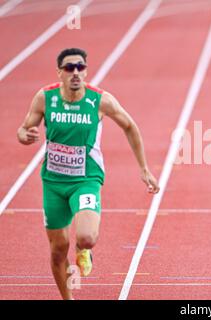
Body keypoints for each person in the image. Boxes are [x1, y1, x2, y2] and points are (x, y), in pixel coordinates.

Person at [17, 48, 160, 299]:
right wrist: (25, 136)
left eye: (80, 67)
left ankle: (83, 249)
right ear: (59, 72)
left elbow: (130, 126)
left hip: (86, 180)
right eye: (69, 68)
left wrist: (144, 168)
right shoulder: (45, 98)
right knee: (58, 249)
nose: (75, 73)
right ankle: (68, 298)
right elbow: (24, 128)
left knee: (87, 236)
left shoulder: (99, 100)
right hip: (53, 182)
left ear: (86, 71)